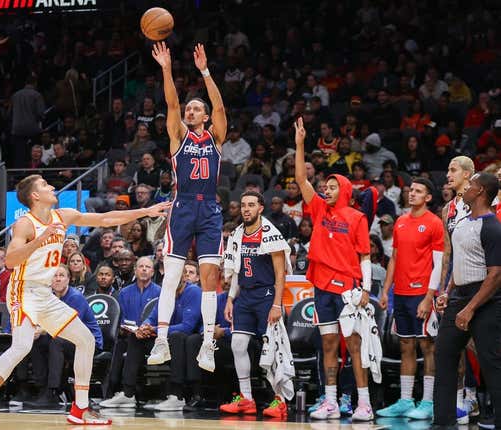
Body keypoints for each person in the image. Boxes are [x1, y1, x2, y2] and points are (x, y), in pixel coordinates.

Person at [0, 174, 169, 426]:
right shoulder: (25, 225)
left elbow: (105, 218)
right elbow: (10, 261)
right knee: (21, 347)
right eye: (44, 185)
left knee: (85, 340)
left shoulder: (64, 215)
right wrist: (40, 240)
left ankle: (80, 408)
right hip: (23, 290)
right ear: (35, 196)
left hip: (44, 293)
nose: (51, 187)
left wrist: (145, 211)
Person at [147, 42, 227, 373]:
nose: (191, 112)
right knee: (171, 277)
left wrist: (205, 72)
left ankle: (208, 343)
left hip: (209, 208)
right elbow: (171, 103)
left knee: (209, 278)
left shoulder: (216, 138)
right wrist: (166, 70)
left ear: (206, 117)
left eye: (197, 109)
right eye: (189, 109)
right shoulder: (178, 137)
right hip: (182, 208)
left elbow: (220, 108)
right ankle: (161, 340)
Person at [294, 118, 374, 421]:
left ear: (343, 189)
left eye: (331, 186)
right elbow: (302, 180)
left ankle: (363, 403)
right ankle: (329, 401)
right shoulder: (317, 209)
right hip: (322, 285)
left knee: (354, 345)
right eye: (324, 186)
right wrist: (300, 144)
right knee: (328, 344)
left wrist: (366, 289)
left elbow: (365, 256)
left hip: (349, 288)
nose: (325, 190)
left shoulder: (356, 217)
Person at [434, 172, 501, 429]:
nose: (467, 188)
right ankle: (443, 423)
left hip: (486, 300)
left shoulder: (493, 227)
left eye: (471, 184)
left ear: (481, 191)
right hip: (459, 296)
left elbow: (495, 276)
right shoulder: (461, 222)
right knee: (444, 356)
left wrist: (471, 308)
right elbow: (459, 263)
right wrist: (447, 293)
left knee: (491, 363)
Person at [377, 178, 444, 420]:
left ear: (427, 197)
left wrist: (429, 296)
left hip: (421, 293)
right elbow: (393, 258)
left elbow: (439, 263)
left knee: (427, 347)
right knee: (405, 345)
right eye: (410, 190)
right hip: (401, 294)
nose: (411, 194)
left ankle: (427, 402)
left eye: (418, 191)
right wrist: (386, 290)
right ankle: (405, 401)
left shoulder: (435, 223)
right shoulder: (401, 222)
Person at [221, 191, 290, 419]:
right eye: (243, 205)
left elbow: (281, 274)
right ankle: (247, 399)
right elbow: (237, 272)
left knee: (272, 349)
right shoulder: (238, 234)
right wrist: (231, 298)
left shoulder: (270, 234)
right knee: (238, 345)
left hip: (267, 295)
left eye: (251, 205)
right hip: (245, 296)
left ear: (261, 208)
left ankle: (279, 400)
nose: (246, 209)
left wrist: (277, 305)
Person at [100, 261, 201, 410]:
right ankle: (128, 394)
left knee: (177, 337)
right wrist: (144, 327)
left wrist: (155, 329)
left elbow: (187, 327)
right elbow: (152, 316)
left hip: (185, 339)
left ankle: (177, 396)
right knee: (136, 337)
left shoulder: (193, 292)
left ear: (183, 276)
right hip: (163, 336)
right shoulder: (166, 292)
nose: (170, 277)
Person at [28, 265, 104, 408]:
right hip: (63, 338)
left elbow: (69, 327)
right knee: (38, 342)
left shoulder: (75, 297)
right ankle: (43, 389)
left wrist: (42, 329)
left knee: (57, 342)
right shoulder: (48, 298)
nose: (57, 279)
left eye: (61, 275)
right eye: (54, 276)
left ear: (68, 279)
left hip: (88, 342)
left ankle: (54, 391)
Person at [440, 155, 477, 421]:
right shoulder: (447, 210)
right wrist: (444, 288)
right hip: (459, 284)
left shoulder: (487, 202)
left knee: (485, 348)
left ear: (468, 174)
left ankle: (476, 397)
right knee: (454, 347)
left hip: (486, 284)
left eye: (453, 170)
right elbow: (449, 254)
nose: (448, 175)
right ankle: (461, 401)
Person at [100, 256, 161, 405]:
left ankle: (129, 393)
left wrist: (148, 330)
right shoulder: (125, 292)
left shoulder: (160, 292)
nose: (144, 269)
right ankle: (112, 391)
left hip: (153, 336)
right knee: (118, 345)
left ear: (153, 272)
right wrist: (129, 329)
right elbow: (121, 320)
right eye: (141, 266)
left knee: (134, 343)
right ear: (135, 270)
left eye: (148, 267)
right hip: (129, 335)